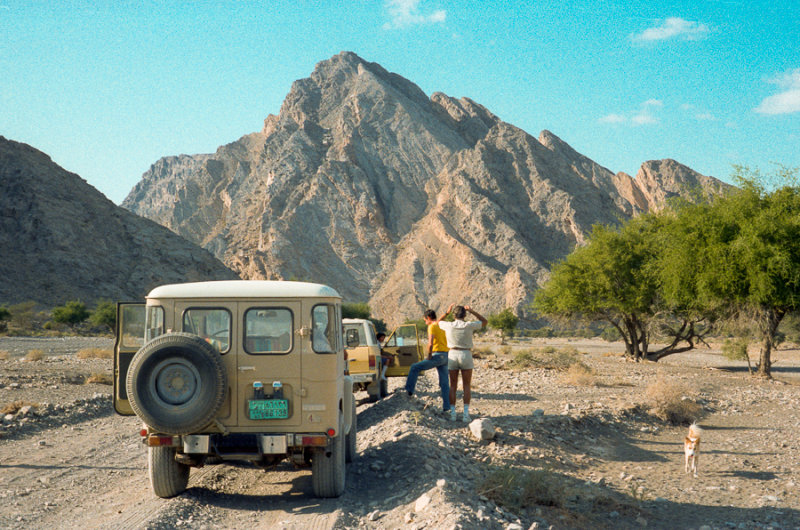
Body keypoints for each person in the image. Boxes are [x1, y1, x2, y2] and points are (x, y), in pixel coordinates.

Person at [438, 304, 487, 422]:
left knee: (453, 386)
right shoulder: (468, 325)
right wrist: (472, 310)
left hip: (452, 354)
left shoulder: (448, 325)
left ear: (454, 315)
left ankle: (453, 413)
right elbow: (484, 321)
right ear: (464, 315)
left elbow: (438, 321)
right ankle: (465, 414)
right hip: (466, 354)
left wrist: (446, 312)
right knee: (466, 385)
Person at [402, 310, 451, 414]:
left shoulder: (432, 327)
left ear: (428, 318)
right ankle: (447, 407)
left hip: (437, 355)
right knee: (444, 383)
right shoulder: (441, 325)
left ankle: (408, 391)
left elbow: (430, 344)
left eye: (425, 320)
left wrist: (428, 356)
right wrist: (446, 313)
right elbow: (440, 320)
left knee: (415, 367)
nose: (425, 323)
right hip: (447, 355)